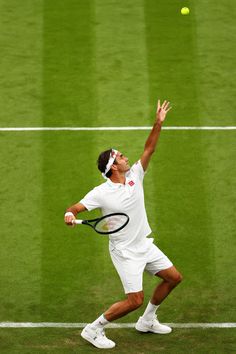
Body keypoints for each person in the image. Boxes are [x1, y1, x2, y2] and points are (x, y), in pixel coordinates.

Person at [64, 100, 182, 350]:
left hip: (143, 244)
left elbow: (149, 149)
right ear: (113, 167)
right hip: (125, 252)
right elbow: (76, 207)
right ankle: (93, 329)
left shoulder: (135, 176)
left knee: (173, 278)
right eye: (120, 157)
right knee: (134, 300)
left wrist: (158, 123)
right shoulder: (101, 192)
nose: (126, 157)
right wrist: (69, 214)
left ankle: (147, 321)